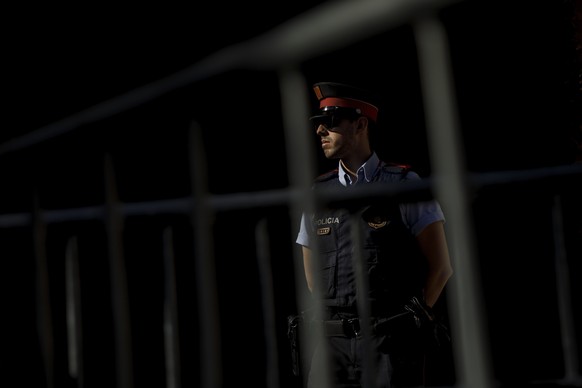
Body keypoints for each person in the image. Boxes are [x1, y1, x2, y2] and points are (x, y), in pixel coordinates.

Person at [294, 81, 454, 388]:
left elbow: (441, 267)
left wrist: (410, 319)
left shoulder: (404, 184)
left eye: (330, 123)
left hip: (388, 343)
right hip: (332, 346)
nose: (320, 132)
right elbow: (313, 276)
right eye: (318, 125)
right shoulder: (316, 194)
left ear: (360, 124)